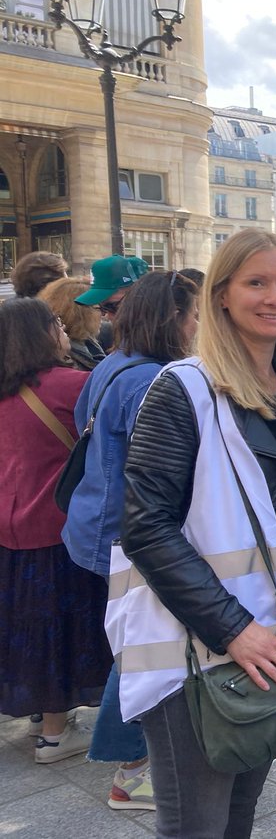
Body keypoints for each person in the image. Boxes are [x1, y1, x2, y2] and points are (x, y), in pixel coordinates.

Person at [110, 228, 276, 839]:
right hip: (194, 649)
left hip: (263, 640)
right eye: (255, 282)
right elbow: (145, 524)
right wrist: (234, 630)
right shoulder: (182, 389)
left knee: (237, 818)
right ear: (222, 297)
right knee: (196, 826)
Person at [61, 271, 199, 811]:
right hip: (126, 531)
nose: (196, 327)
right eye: (191, 316)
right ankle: (132, 767)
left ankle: (132, 760)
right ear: (173, 319)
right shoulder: (154, 379)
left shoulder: (113, 363)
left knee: (130, 641)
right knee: (139, 648)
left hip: (95, 520)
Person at [0, 298, 110, 763]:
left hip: (9, 526)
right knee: (59, 626)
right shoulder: (73, 385)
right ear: (41, 334)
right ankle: (54, 732)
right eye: (57, 325)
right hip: (57, 525)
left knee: (24, 623)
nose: (64, 332)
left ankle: (36, 714)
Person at [40, 276, 106, 371]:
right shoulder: (66, 360)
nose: (103, 315)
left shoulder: (88, 345)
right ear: (79, 314)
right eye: (99, 308)